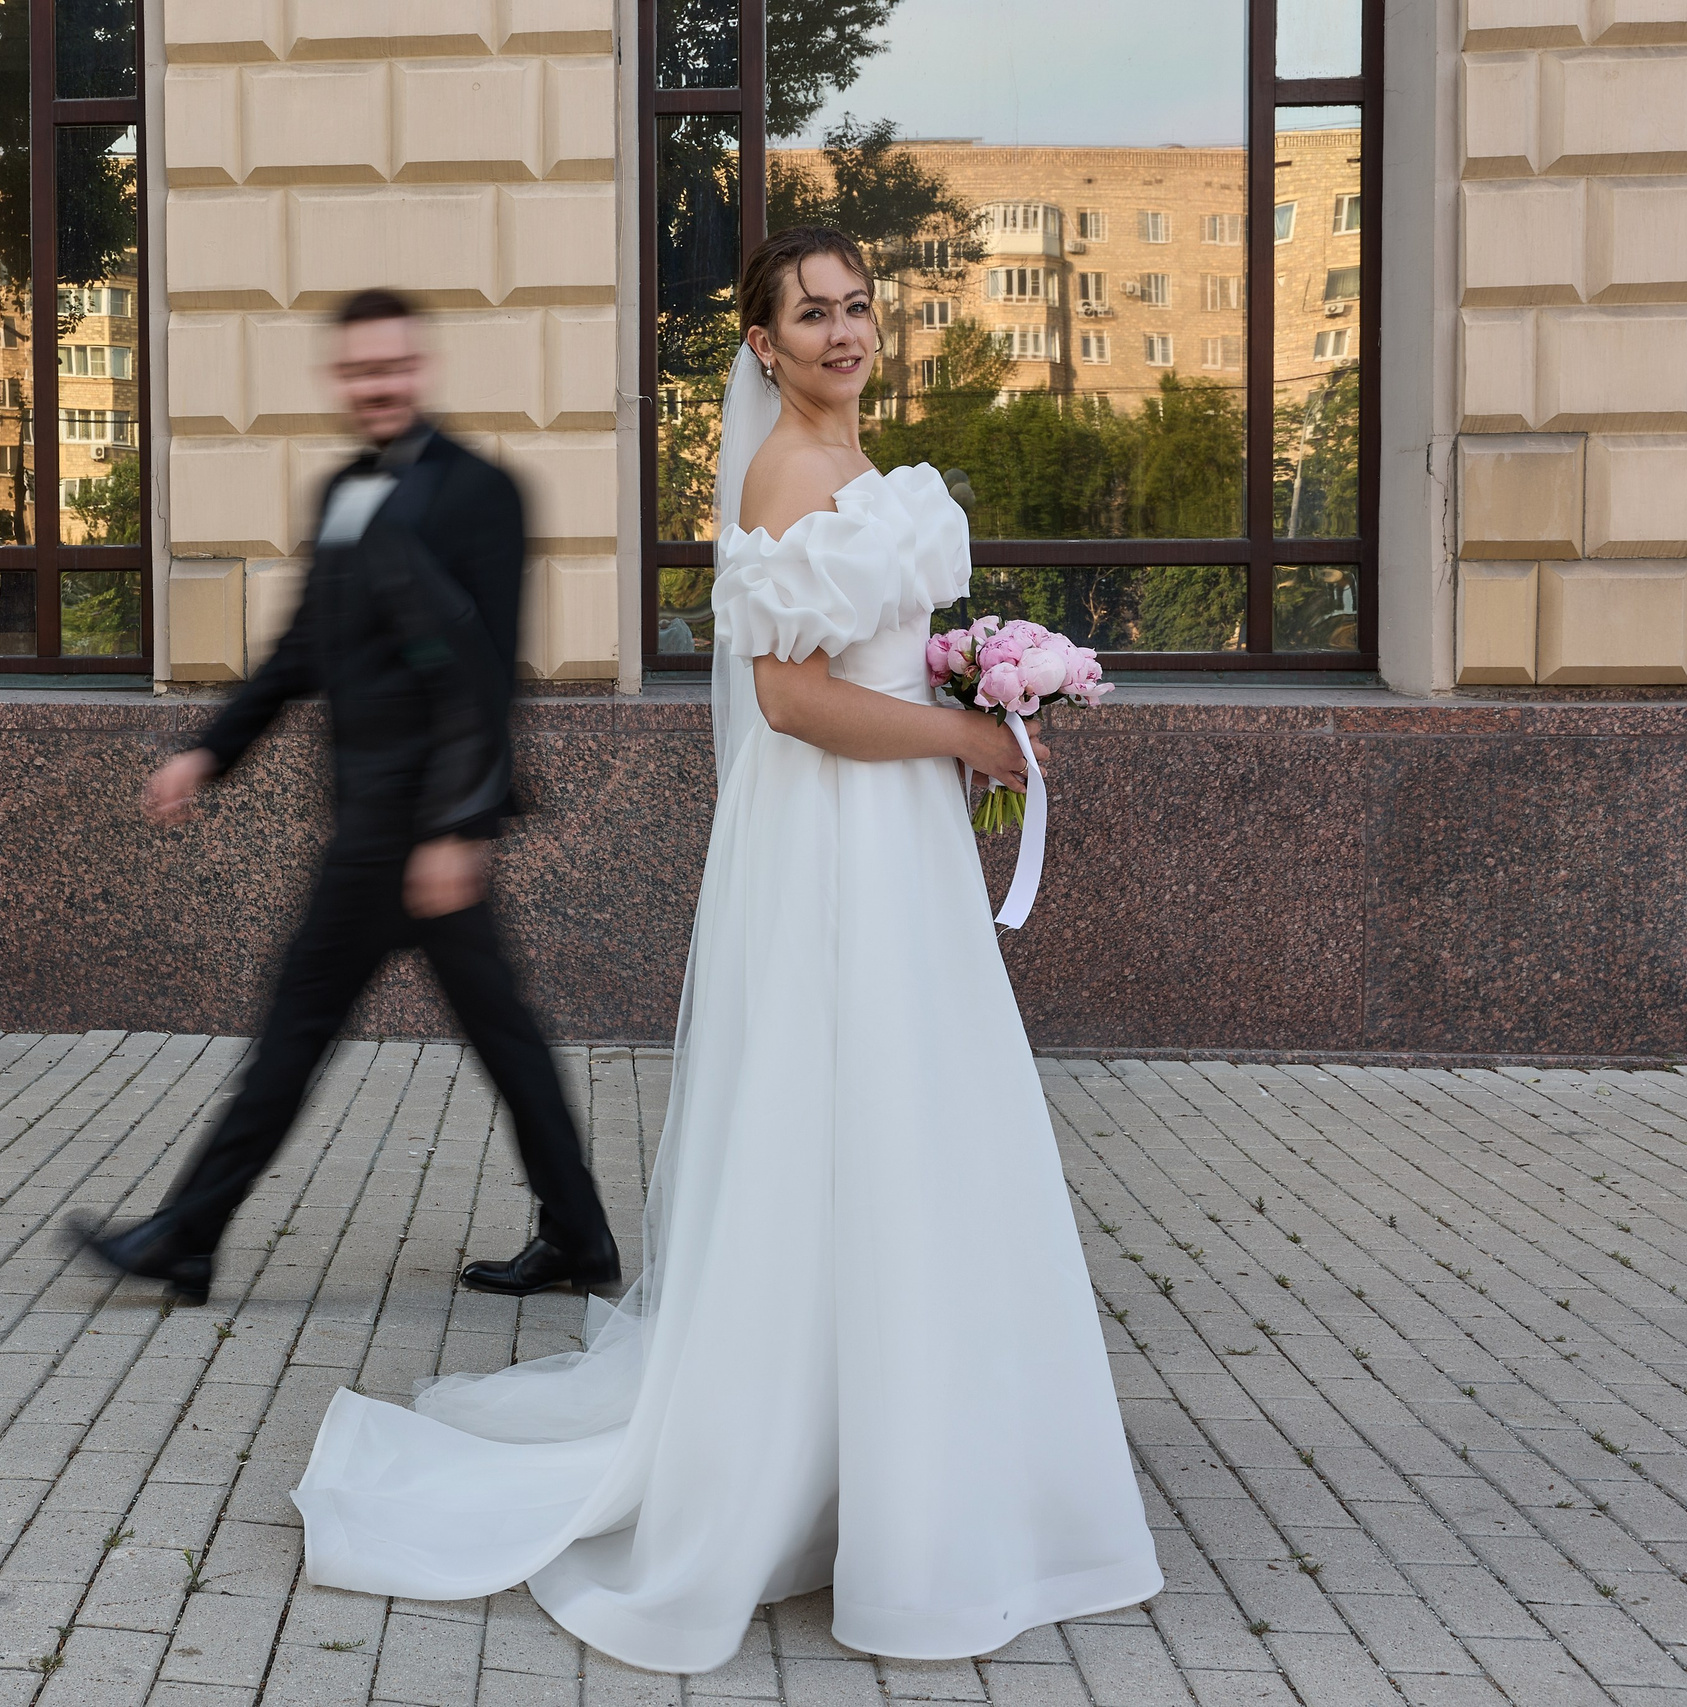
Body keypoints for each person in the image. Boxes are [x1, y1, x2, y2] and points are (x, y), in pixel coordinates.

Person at [286, 229, 1164, 1670]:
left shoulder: (866, 468)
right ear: (762, 344)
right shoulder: (785, 475)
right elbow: (792, 697)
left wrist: (967, 677)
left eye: (857, 306)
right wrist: (964, 729)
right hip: (836, 841)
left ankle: (903, 1447)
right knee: (847, 1117)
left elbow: (872, 652)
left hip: (900, 846)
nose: (841, 331)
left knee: (911, 1127)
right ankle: (812, 1461)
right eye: (809, 314)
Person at [71, 287, 618, 1309]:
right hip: (369, 822)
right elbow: (302, 650)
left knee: (302, 1033)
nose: (380, 386)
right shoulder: (338, 493)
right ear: (340, 379)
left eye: (395, 368)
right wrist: (209, 752)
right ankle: (580, 1237)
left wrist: (458, 828)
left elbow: (489, 677)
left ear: (420, 369)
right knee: (497, 1037)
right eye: (362, 371)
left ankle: (189, 1237)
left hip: (415, 832)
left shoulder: (480, 494)